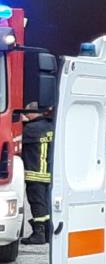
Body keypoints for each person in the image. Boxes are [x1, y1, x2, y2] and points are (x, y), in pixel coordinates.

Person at [21, 103, 53, 245]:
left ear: (33, 112)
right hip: (48, 173)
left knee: (37, 203)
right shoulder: (50, 126)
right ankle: (47, 233)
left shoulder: (31, 128)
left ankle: (39, 234)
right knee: (45, 203)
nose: (26, 115)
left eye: (27, 113)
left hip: (35, 173)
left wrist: (22, 123)